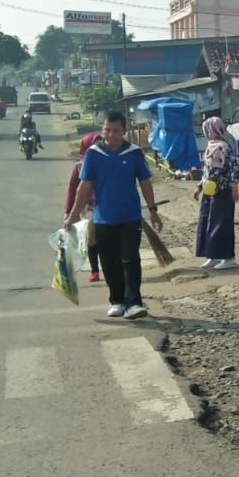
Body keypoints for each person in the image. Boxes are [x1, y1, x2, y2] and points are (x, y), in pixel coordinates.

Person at [64, 110, 162, 321]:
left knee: (130, 259)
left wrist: (153, 210)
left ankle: (134, 303)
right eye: (107, 130)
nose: (110, 135)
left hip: (130, 217)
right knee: (108, 262)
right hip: (102, 218)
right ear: (102, 130)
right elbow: (84, 185)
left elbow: (145, 183)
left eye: (115, 131)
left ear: (124, 131)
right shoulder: (93, 154)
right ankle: (117, 301)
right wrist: (72, 214)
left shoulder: (134, 153)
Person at [193, 117, 239, 270]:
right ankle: (212, 255)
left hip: (223, 192)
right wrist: (199, 187)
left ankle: (228, 257)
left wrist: (235, 189)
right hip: (210, 191)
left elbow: (234, 169)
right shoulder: (211, 146)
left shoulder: (224, 147)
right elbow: (207, 172)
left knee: (222, 225)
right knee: (208, 222)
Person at [64, 133, 102, 283]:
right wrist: (68, 212)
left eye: (100, 144)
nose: (97, 148)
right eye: (93, 146)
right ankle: (94, 270)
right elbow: (73, 190)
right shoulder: (79, 167)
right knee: (90, 239)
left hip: (107, 205)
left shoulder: (107, 161)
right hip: (88, 208)